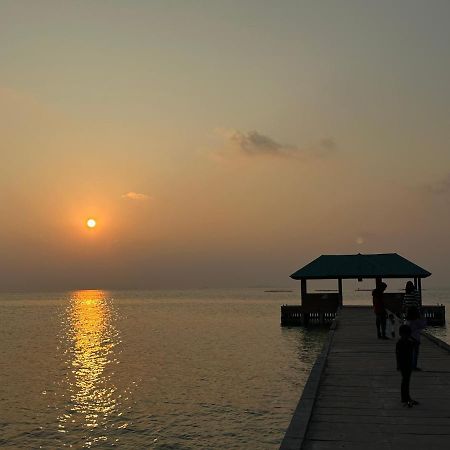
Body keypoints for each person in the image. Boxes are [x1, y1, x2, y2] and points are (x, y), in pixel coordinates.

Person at [396, 324, 418, 407]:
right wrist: (398, 364)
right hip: (403, 364)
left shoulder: (409, 342)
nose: (407, 336)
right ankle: (405, 397)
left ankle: (406, 397)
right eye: (406, 334)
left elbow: (416, 343)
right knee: (405, 381)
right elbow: (397, 355)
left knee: (406, 381)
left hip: (408, 364)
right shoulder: (400, 343)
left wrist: (411, 337)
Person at [406, 306, 427, 371]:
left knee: (409, 353)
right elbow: (423, 325)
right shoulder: (416, 321)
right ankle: (413, 366)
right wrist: (422, 315)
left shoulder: (407, 321)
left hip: (408, 338)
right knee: (415, 354)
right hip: (415, 339)